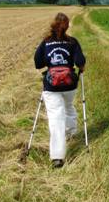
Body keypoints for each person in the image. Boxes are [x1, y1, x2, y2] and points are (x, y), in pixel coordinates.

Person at [34, 13, 86, 168]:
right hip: (70, 85)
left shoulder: (46, 42)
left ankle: (57, 156)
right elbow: (80, 62)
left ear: (53, 25)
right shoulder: (72, 42)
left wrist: (50, 68)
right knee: (69, 107)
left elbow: (38, 63)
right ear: (67, 25)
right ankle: (70, 133)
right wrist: (80, 69)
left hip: (51, 86)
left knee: (56, 116)